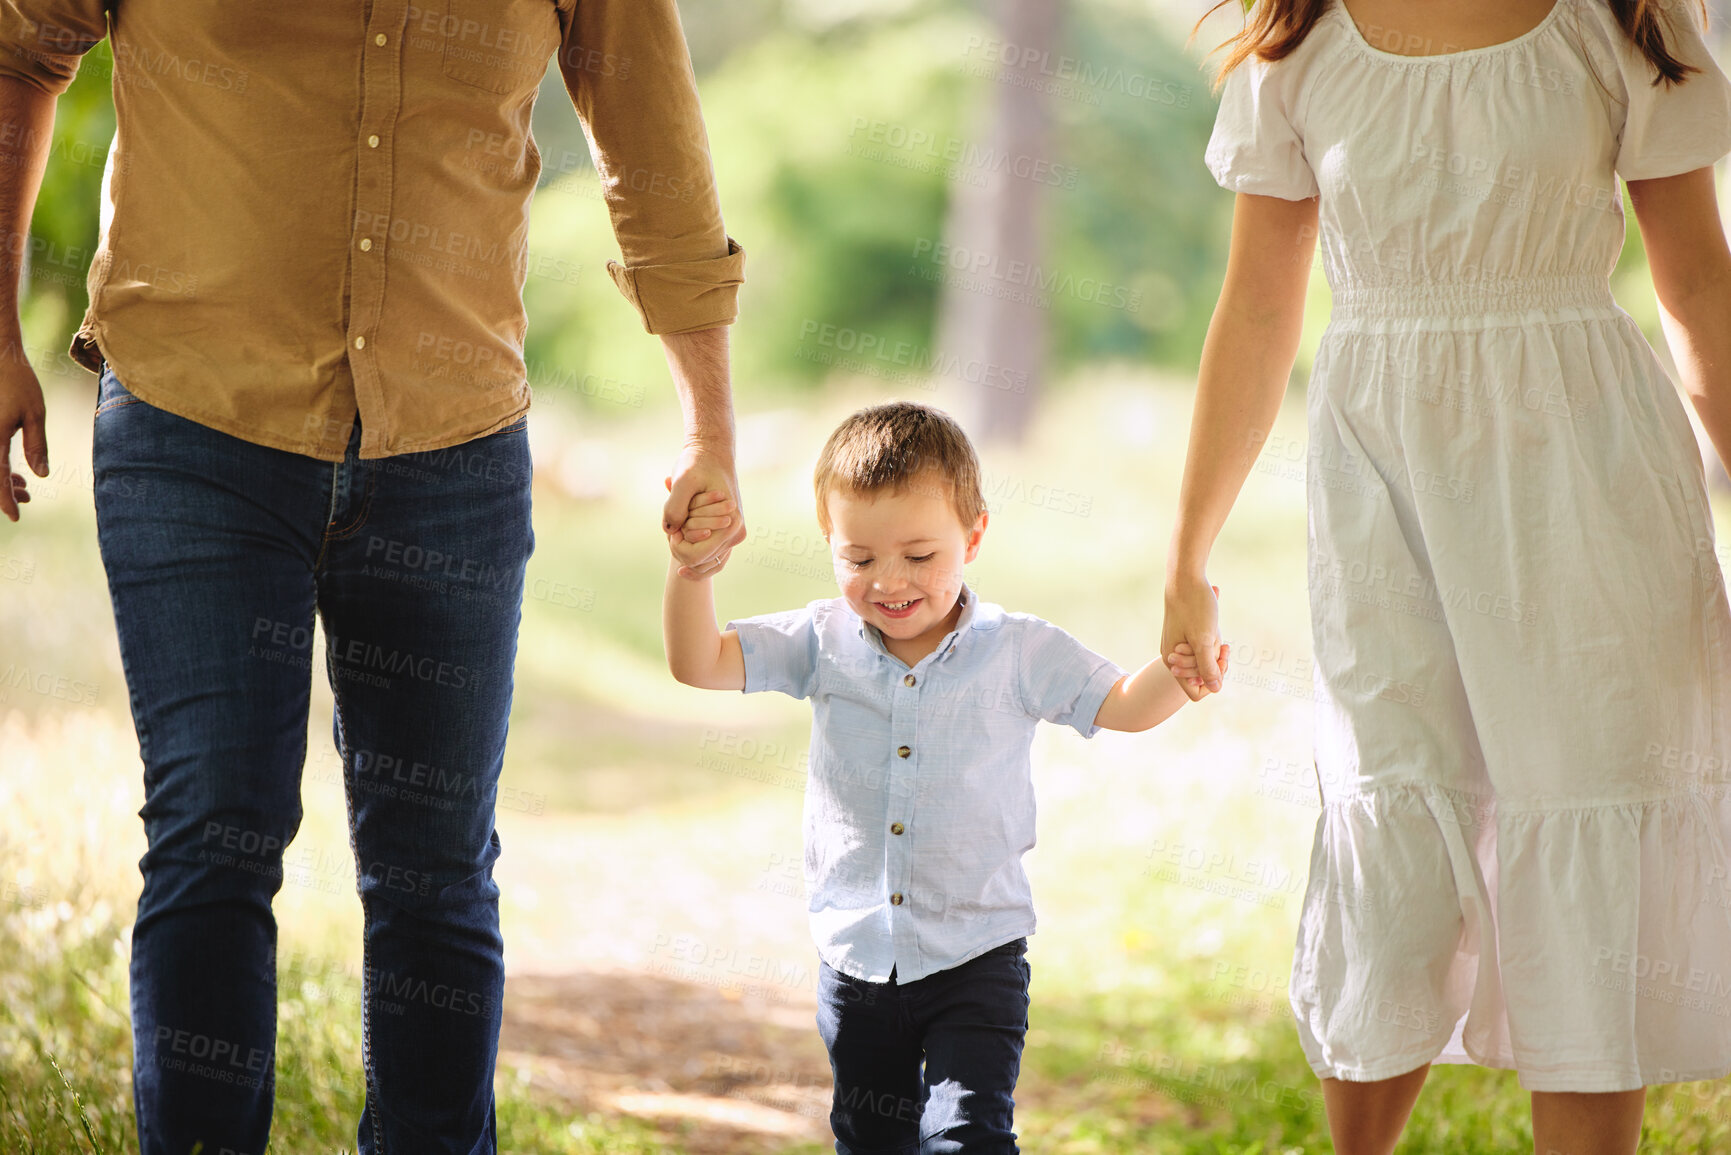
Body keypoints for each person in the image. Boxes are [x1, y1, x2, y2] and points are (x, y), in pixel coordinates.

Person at [0, 3, 745, 1152]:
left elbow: (652, 142)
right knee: (214, 834)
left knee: (437, 871)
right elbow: (16, 53)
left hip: (448, 441)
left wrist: (712, 429)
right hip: (196, 416)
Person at [1162, 0, 1731, 1151]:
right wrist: (1189, 551)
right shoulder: (1297, 43)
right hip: (1384, 481)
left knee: (1586, 809)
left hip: (1589, 475)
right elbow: (1261, 305)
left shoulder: (1620, 19)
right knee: (1393, 811)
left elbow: (1700, 286)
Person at [663, 400, 1221, 1152]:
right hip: (857, 956)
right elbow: (699, 661)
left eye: (919, 556)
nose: (888, 581)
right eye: (858, 558)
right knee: (872, 1140)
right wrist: (692, 570)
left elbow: (1120, 704)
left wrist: (1180, 670)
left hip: (977, 956)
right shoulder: (821, 640)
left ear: (974, 535)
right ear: (830, 542)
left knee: (968, 1137)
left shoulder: (1018, 650)